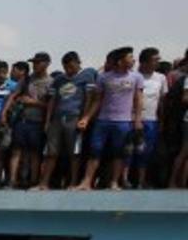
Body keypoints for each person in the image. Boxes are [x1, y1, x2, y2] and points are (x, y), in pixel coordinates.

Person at [79, 47, 144, 190]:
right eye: (130, 57)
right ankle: (86, 181)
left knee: (119, 153)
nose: (133, 60)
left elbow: (138, 99)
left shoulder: (136, 77)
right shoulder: (104, 77)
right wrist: (87, 118)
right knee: (95, 151)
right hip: (103, 120)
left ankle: (114, 182)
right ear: (120, 61)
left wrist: (138, 119)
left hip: (124, 122)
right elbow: (98, 100)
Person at [35, 51, 98, 190]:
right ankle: (44, 183)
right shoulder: (59, 79)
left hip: (74, 117)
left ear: (77, 63)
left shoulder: (87, 76)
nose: (68, 70)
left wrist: (84, 118)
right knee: (51, 152)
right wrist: (48, 121)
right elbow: (52, 101)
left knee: (74, 152)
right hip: (57, 118)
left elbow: (89, 98)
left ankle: (73, 182)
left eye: (70, 66)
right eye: (65, 67)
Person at [3, 52, 53, 188]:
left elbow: (51, 105)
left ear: (47, 64)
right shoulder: (26, 80)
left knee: (35, 153)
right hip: (22, 120)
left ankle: (33, 181)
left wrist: (34, 102)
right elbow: (13, 95)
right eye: (34, 62)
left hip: (38, 122)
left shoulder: (51, 82)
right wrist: (4, 112)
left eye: (38, 62)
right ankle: (12, 180)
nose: (34, 65)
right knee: (16, 151)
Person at [135, 47, 167, 188]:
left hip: (151, 120)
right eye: (155, 60)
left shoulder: (161, 78)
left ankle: (141, 181)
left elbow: (162, 101)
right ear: (144, 62)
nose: (157, 62)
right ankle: (124, 180)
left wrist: (162, 120)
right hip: (132, 119)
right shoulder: (134, 76)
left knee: (147, 151)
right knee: (129, 151)